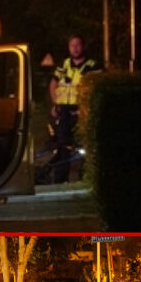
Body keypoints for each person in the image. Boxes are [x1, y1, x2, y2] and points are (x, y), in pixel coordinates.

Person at [48, 33, 101, 183]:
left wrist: (86, 108)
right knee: (63, 145)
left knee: (85, 146)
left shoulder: (92, 66)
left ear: (83, 47)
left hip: (82, 111)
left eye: (78, 45)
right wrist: (55, 104)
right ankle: (60, 179)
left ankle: (85, 178)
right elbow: (53, 84)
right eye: (72, 45)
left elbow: (96, 89)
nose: (75, 48)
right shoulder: (64, 65)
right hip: (64, 111)